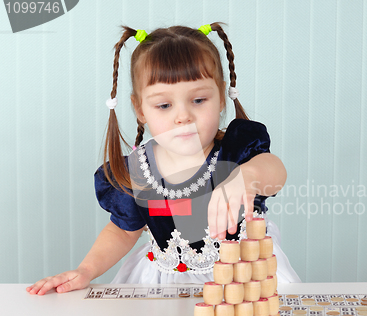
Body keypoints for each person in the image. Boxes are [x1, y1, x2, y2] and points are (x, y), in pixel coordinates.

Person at [27, 23, 300, 296]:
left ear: (220, 99)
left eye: (199, 100)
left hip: (244, 278)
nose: (182, 116)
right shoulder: (138, 171)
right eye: (164, 105)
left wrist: (247, 178)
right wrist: (85, 270)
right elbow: (123, 232)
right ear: (140, 109)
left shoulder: (235, 152)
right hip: (166, 284)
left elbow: (274, 172)